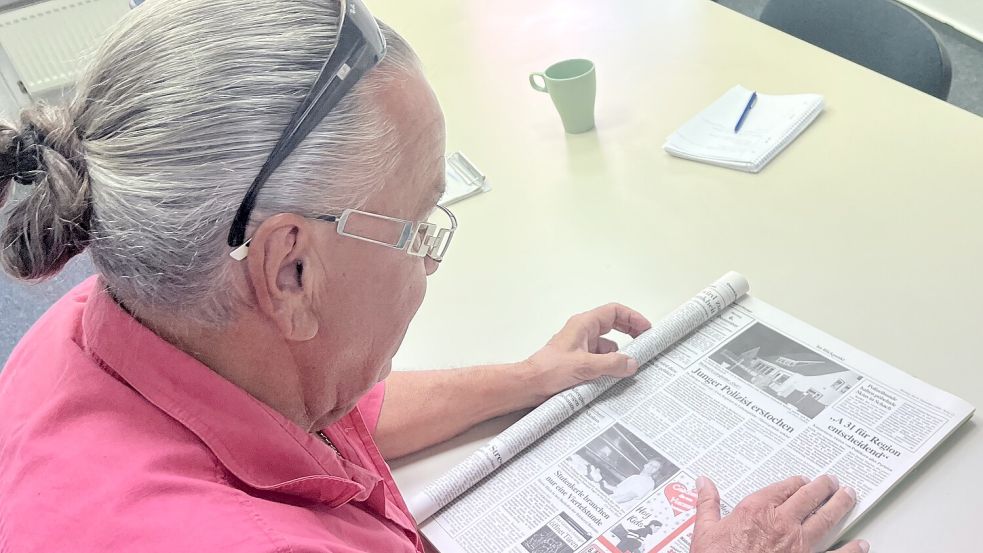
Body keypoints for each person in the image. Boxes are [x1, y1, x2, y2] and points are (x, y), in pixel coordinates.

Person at [0, 1, 868, 552]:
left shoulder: (137, 302)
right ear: (290, 268)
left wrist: (529, 379)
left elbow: (319, 415)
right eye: (418, 225)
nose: (429, 262)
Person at [593, 459, 665, 504]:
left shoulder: (648, 482)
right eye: (651, 464)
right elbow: (617, 490)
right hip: (613, 498)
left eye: (655, 467)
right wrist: (602, 481)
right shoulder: (635, 477)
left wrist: (606, 503)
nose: (651, 467)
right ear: (645, 465)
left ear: (657, 472)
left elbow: (628, 497)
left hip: (617, 506)